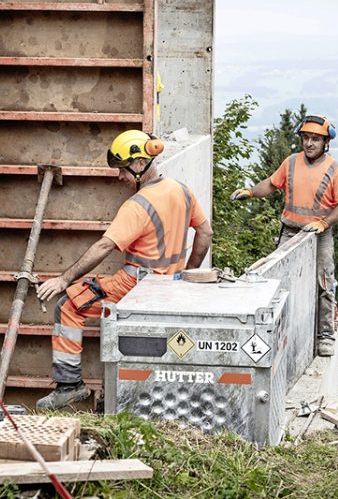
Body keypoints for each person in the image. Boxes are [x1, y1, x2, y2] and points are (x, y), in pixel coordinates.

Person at [34, 130, 213, 410]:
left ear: (140, 163)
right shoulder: (182, 190)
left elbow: (104, 247)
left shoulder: (138, 206)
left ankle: (70, 385)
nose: (120, 178)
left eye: (122, 170)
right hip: (169, 288)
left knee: (69, 304)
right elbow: (205, 232)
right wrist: (185, 276)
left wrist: (64, 278)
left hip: (135, 286)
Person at [230, 115, 338, 357]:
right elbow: (271, 184)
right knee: (279, 281)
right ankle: (279, 332)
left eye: (315, 139)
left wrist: (324, 223)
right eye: (306, 138)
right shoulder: (291, 163)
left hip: (319, 235)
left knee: (323, 283)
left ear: (325, 142)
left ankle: (325, 334)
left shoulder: (335, 170)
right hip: (290, 231)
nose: (309, 143)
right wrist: (251, 192)